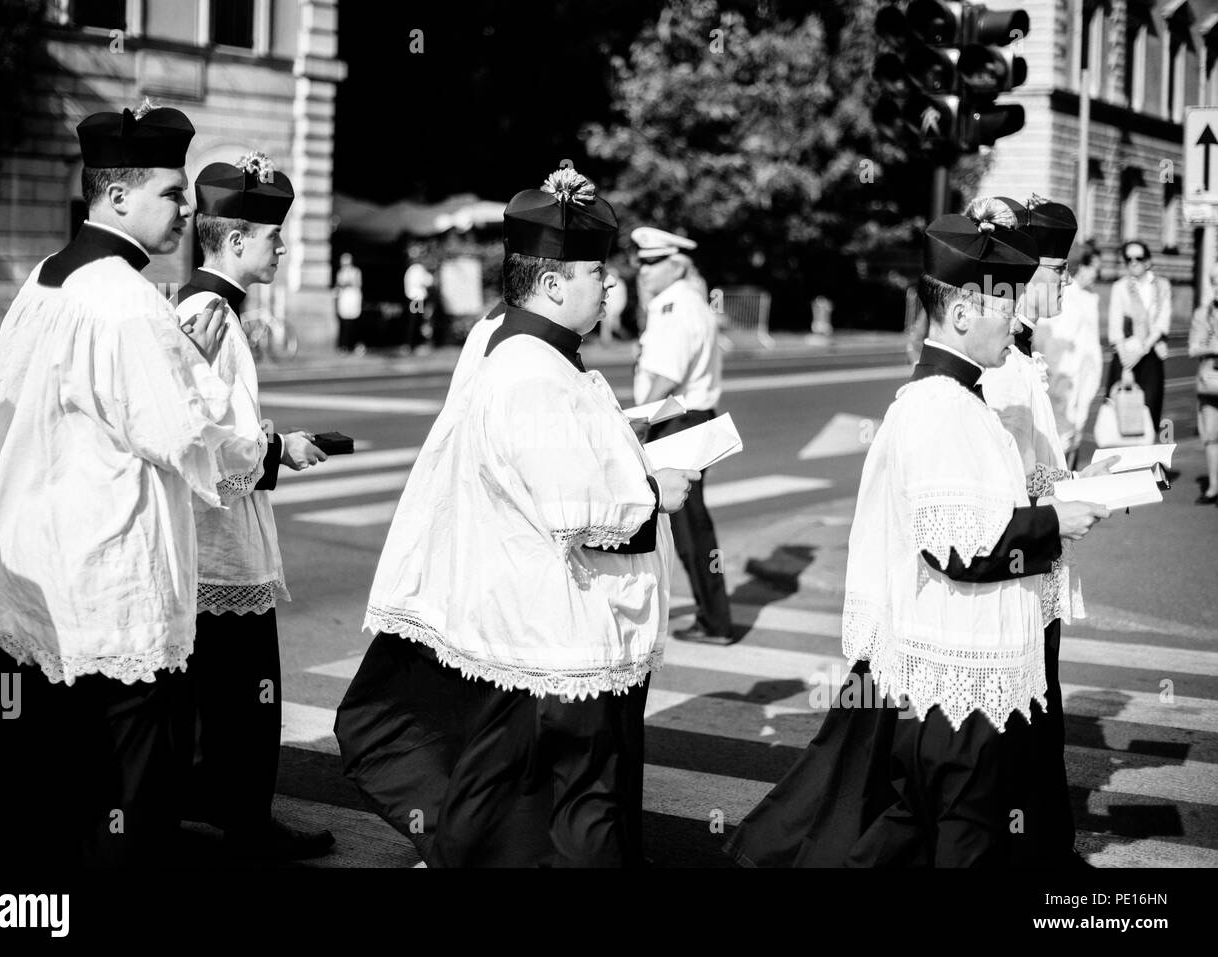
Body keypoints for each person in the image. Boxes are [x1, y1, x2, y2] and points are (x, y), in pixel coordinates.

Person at [334, 162, 699, 867]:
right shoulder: (532, 370)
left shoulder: (529, 347)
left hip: (545, 629)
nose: (610, 283)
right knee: (580, 815)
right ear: (555, 282)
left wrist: (628, 440)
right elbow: (581, 511)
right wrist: (659, 488)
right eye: (597, 271)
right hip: (560, 634)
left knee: (525, 810)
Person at [724, 205, 1108, 868]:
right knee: (962, 834)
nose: (1013, 316)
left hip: (963, 669)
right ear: (961, 312)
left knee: (914, 826)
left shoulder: (963, 398)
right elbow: (957, 546)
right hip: (954, 667)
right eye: (1003, 301)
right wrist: (1055, 521)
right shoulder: (936, 407)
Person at [0, 102, 271, 866]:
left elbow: (12, 399)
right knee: (120, 803)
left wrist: (174, 362)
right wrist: (197, 372)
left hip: (23, 567)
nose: (188, 208)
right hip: (106, 587)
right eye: (173, 192)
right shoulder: (128, 303)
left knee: (18, 796)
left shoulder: (44, 281)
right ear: (118, 196)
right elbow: (191, 439)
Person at [173, 151, 334, 860]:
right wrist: (276, 451)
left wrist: (268, 441)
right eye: (273, 236)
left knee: (219, 694)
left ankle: (220, 809)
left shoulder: (208, 309)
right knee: (248, 694)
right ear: (235, 241)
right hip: (219, 547)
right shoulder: (210, 313)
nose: (282, 247)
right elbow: (214, 443)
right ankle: (245, 824)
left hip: (211, 543)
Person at [976, 195, 1118, 868]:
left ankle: (1036, 842)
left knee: (1038, 707)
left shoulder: (1021, 350)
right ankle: (1033, 848)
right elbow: (997, 483)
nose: (1064, 285)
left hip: (1035, 550)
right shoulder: (1002, 362)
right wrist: (1065, 501)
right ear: (1028, 276)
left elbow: (1034, 464)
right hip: (1015, 561)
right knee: (1028, 711)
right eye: (1057, 273)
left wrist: (1081, 487)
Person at [630, 226, 733, 645]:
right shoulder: (689, 301)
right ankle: (714, 616)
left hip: (676, 419)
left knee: (688, 530)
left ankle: (715, 621)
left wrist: (637, 422)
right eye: (640, 262)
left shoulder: (673, 305)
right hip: (691, 417)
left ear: (674, 264)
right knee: (692, 526)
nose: (642, 270)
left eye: (651, 262)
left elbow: (666, 376)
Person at [1037, 246, 1104, 468]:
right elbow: (1052, 335)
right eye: (1094, 268)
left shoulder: (1091, 297)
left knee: (1077, 428)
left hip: (1085, 371)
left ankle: (1069, 477)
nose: (1097, 274)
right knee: (1061, 429)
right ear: (1081, 267)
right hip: (1063, 372)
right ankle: (1060, 480)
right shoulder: (1066, 295)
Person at [1107, 240, 1170, 435]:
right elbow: (1115, 329)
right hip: (1125, 356)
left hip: (1149, 354)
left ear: (1148, 261)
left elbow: (1161, 323)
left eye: (1138, 258)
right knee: (1119, 413)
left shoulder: (1161, 286)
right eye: (1128, 259)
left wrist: (1143, 350)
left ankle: (1147, 461)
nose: (1133, 262)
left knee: (1150, 412)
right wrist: (1126, 364)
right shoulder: (1120, 287)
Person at [1189, 261, 1218, 504]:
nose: (1217, 288)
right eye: (1214, 283)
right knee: (1211, 436)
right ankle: (1213, 487)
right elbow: (1192, 348)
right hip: (1210, 382)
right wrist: (1211, 346)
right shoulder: (1203, 313)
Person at [403, 243, 435, 354]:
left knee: (414, 321)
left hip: (414, 298)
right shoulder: (417, 269)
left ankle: (412, 344)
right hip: (417, 299)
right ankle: (412, 344)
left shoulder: (411, 269)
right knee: (415, 321)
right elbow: (427, 281)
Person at [335, 252, 365, 355]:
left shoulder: (356, 272)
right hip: (344, 301)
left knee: (353, 325)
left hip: (353, 300)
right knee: (344, 324)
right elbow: (339, 285)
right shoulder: (340, 273)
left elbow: (357, 284)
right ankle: (343, 346)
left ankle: (353, 345)